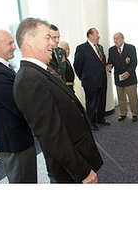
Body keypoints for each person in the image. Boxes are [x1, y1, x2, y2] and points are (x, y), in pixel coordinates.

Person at [13, 18, 103, 183]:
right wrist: (82, 171)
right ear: (29, 40)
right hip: (73, 167)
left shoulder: (40, 71)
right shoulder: (28, 80)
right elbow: (53, 136)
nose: (54, 44)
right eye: (47, 38)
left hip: (79, 151)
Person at [0, 30, 37, 183]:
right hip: (15, 141)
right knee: (23, 181)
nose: (14, 47)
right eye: (10, 43)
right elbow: (18, 104)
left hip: (16, 137)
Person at [74, 27, 110, 131]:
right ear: (90, 36)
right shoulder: (81, 48)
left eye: (98, 34)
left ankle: (100, 118)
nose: (98, 36)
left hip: (102, 79)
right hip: (90, 81)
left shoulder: (100, 47)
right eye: (96, 34)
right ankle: (92, 122)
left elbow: (102, 62)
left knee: (102, 100)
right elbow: (77, 65)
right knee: (91, 103)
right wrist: (83, 77)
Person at [107, 32, 138, 122]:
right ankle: (123, 113)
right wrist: (109, 66)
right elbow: (110, 62)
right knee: (121, 98)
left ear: (123, 38)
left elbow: (134, 62)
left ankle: (135, 114)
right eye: (114, 39)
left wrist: (128, 72)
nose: (115, 40)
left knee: (132, 98)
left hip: (130, 77)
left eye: (117, 38)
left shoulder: (131, 48)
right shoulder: (111, 50)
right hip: (118, 77)